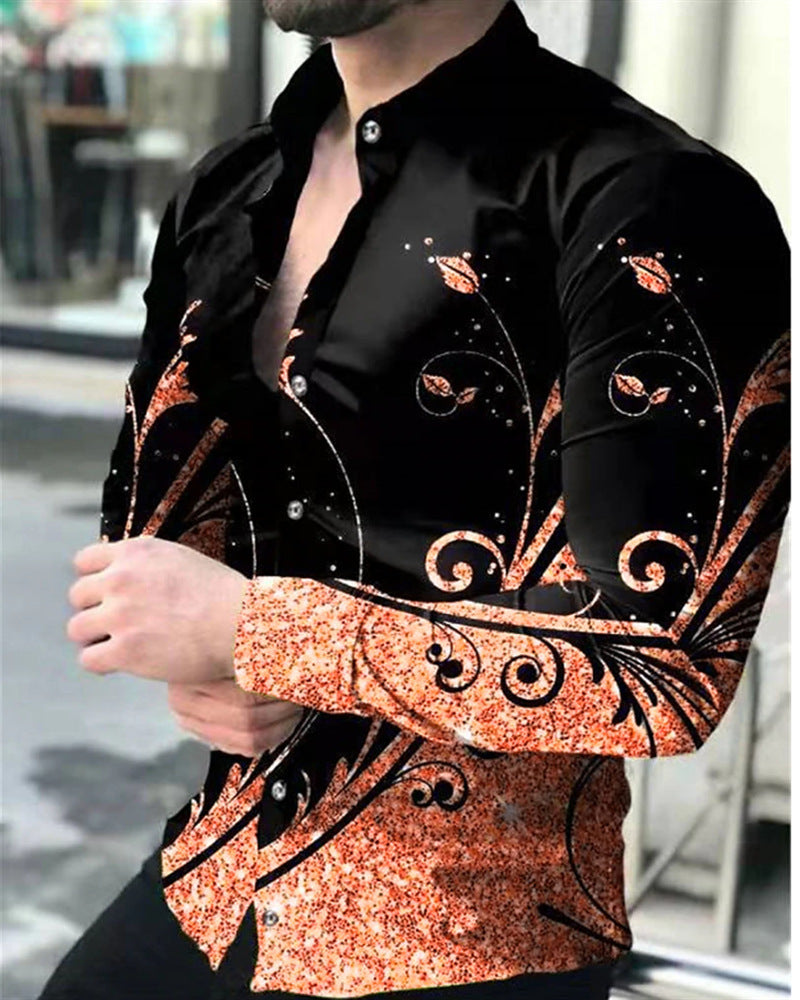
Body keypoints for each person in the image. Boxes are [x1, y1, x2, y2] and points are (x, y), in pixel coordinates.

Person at [43, 0, 790, 997]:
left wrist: (253, 631)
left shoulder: (650, 199)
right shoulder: (231, 186)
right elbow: (166, 544)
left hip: (471, 935)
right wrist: (204, 651)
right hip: (215, 877)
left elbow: (668, 665)